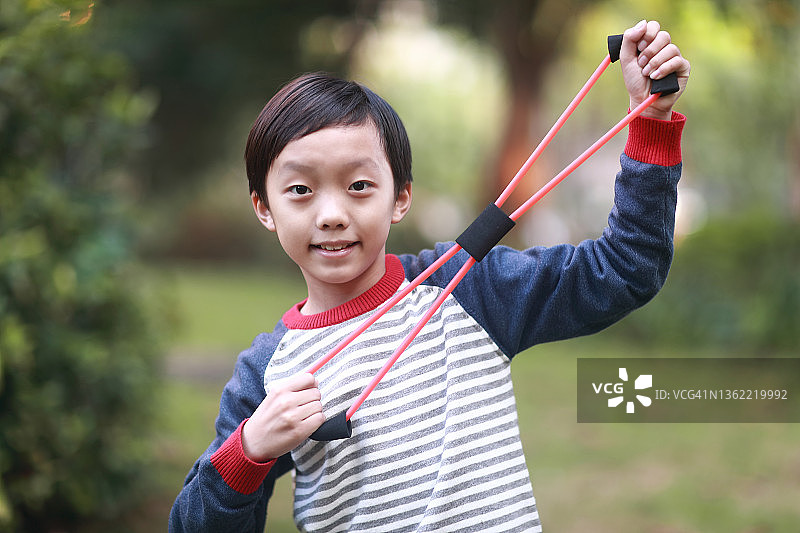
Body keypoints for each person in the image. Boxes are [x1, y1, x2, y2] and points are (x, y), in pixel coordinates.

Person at [170, 19, 690, 532]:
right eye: (301, 190)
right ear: (264, 209)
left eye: (358, 186)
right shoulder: (265, 373)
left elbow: (624, 270)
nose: (331, 213)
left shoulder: (469, 289)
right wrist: (248, 452)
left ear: (400, 198)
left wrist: (651, 123)